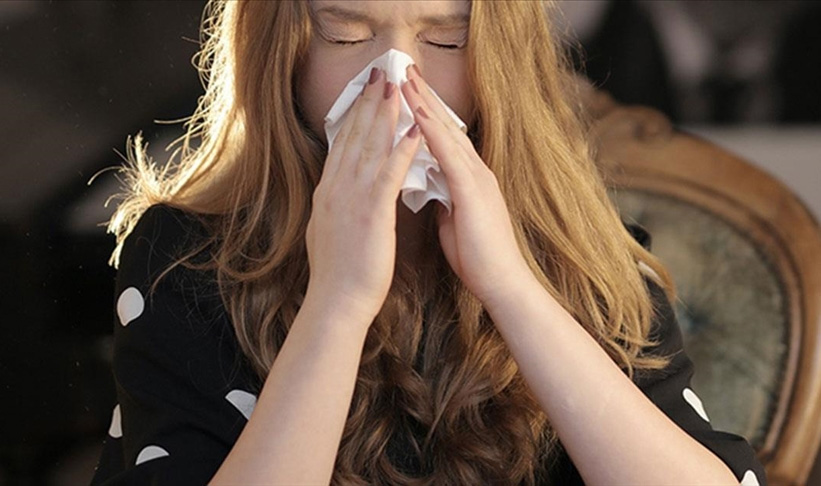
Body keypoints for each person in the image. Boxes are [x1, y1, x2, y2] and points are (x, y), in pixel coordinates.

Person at [90, 1, 766, 484]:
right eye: (345, 34)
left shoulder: (584, 254)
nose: (394, 79)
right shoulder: (183, 256)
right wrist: (338, 301)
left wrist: (509, 288)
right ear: (282, 57)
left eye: (444, 41)